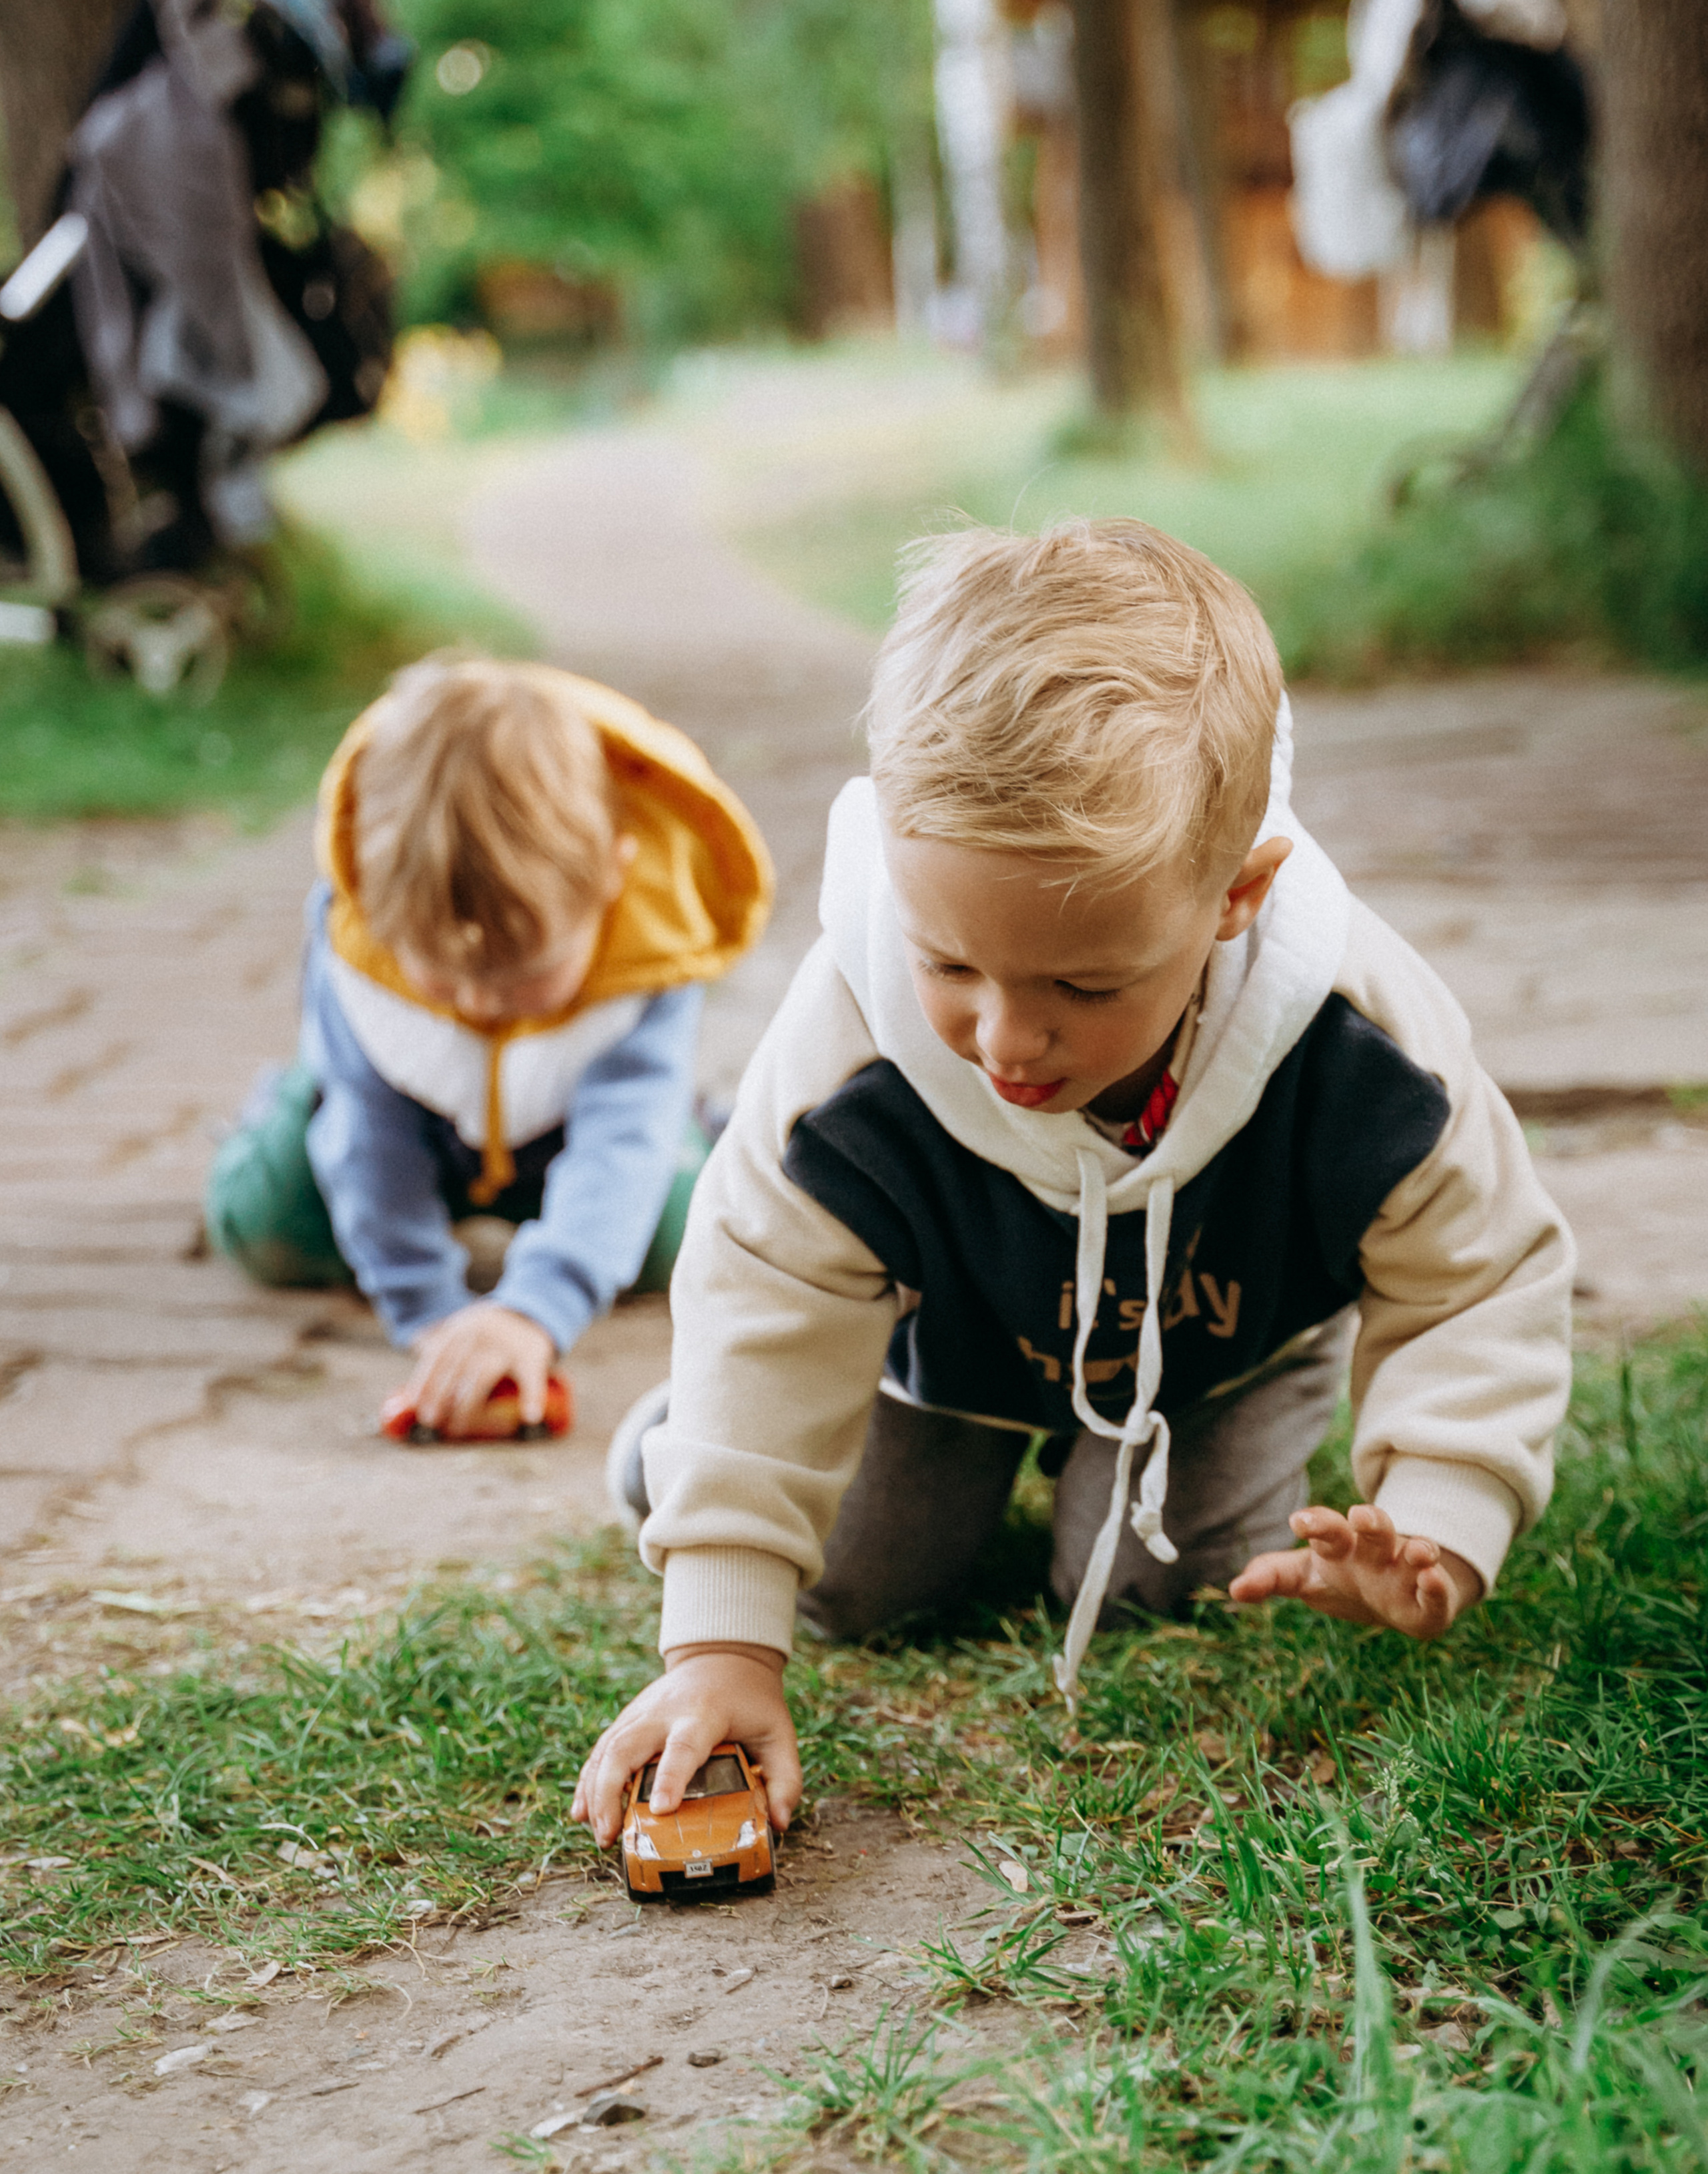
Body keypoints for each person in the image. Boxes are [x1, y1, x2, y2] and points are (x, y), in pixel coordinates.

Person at [570, 521, 1573, 1848]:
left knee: (1174, 1584)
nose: (1002, 1039)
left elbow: (1477, 1270)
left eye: (1081, 987)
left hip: (1214, 1341)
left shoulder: (1361, 1040)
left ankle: (1145, 1476)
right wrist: (718, 1638)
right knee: (870, 1583)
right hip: (947, 1339)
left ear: (1234, 896)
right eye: (951, 967)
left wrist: (1440, 1509)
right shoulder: (846, 1056)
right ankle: (677, 1445)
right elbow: (768, 1284)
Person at [205, 655, 772, 1433]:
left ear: (614, 874)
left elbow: (618, 1142)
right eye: (441, 977)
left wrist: (536, 1312)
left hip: (567, 1138)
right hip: (414, 1127)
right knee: (269, 1227)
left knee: (675, 1236)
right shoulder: (360, 938)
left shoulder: (653, 952)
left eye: (523, 980)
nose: (477, 1004)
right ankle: (287, 1105)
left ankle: (696, 1127)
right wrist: (431, 1315)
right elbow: (373, 1138)